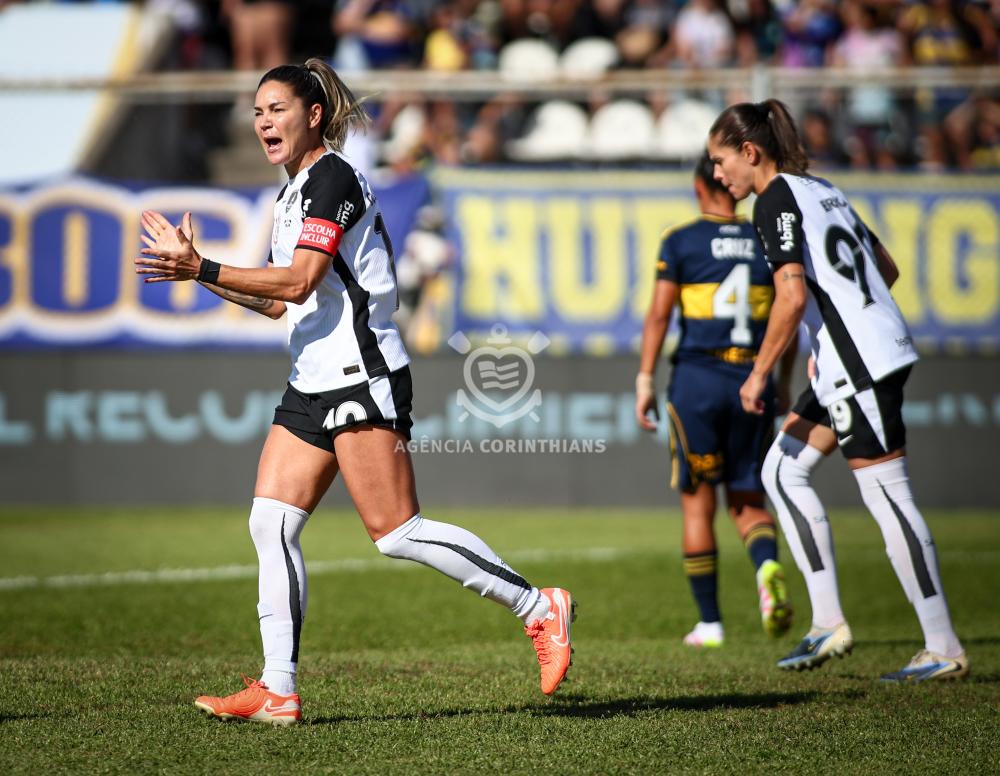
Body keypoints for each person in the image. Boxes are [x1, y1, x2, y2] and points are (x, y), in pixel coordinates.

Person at [135, 58, 575, 725]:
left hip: (362, 375)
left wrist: (202, 263)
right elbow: (282, 307)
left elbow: (300, 281)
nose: (263, 122)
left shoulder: (333, 177)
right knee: (270, 523)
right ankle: (278, 688)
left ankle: (539, 605)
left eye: (277, 108)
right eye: (256, 112)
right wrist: (197, 275)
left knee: (397, 533)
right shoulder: (292, 194)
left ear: (314, 116)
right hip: (312, 379)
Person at [706, 99, 968, 682]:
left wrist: (759, 374)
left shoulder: (774, 199)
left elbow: (793, 297)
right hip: (858, 357)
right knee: (781, 469)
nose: (718, 175)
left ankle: (944, 646)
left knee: (888, 496)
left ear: (750, 152)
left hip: (861, 363)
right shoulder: (820, 187)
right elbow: (886, 266)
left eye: (721, 161)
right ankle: (827, 622)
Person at [635, 151, 795, 649]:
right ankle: (767, 565)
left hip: (698, 380)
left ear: (703, 186)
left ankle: (710, 623)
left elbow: (660, 317)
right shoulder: (765, 238)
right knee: (748, 497)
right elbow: (787, 313)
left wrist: (644, 377)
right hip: (753, 379)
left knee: (697, 506)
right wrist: (779, 379)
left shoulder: (681, 240)